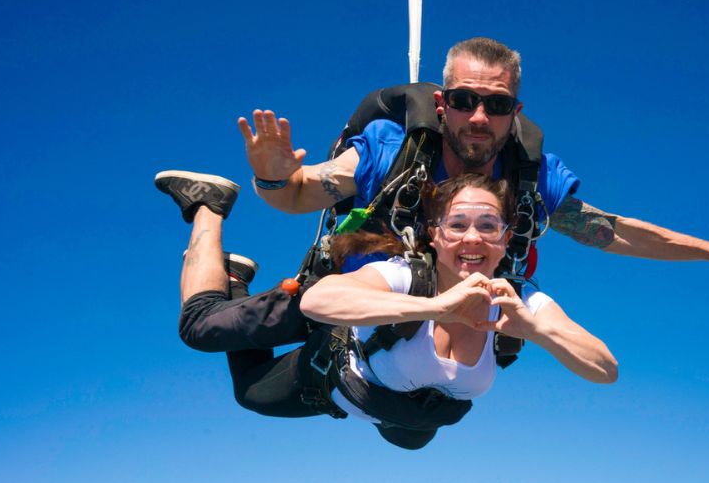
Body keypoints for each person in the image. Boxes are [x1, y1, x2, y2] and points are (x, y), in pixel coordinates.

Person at [237, 36, 709, 273]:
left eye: (497, 104)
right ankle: (210, 216)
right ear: (441, 104)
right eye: (464, 100)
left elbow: (615, 231)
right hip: (361, 291)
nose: (479, 117)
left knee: (416, 424)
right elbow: (306, 193)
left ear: (516, 109)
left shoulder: (530, 176)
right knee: (224, 349)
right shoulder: (392, 149)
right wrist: (272, 178)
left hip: (445, 311)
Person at [158, 171, 616, 450]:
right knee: (227, 364)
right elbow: (318, 301)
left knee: (414, 437)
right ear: (434, 235)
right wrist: (438, 306)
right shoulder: (406, 277)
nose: (472, 238)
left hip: (389, 407)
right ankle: (208, 210)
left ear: (505, 238)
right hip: (328, 374)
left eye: (488, 225)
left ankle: (236, 277)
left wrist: (536, 329)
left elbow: (605, 369)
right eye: (457, 225)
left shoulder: (520, 302)